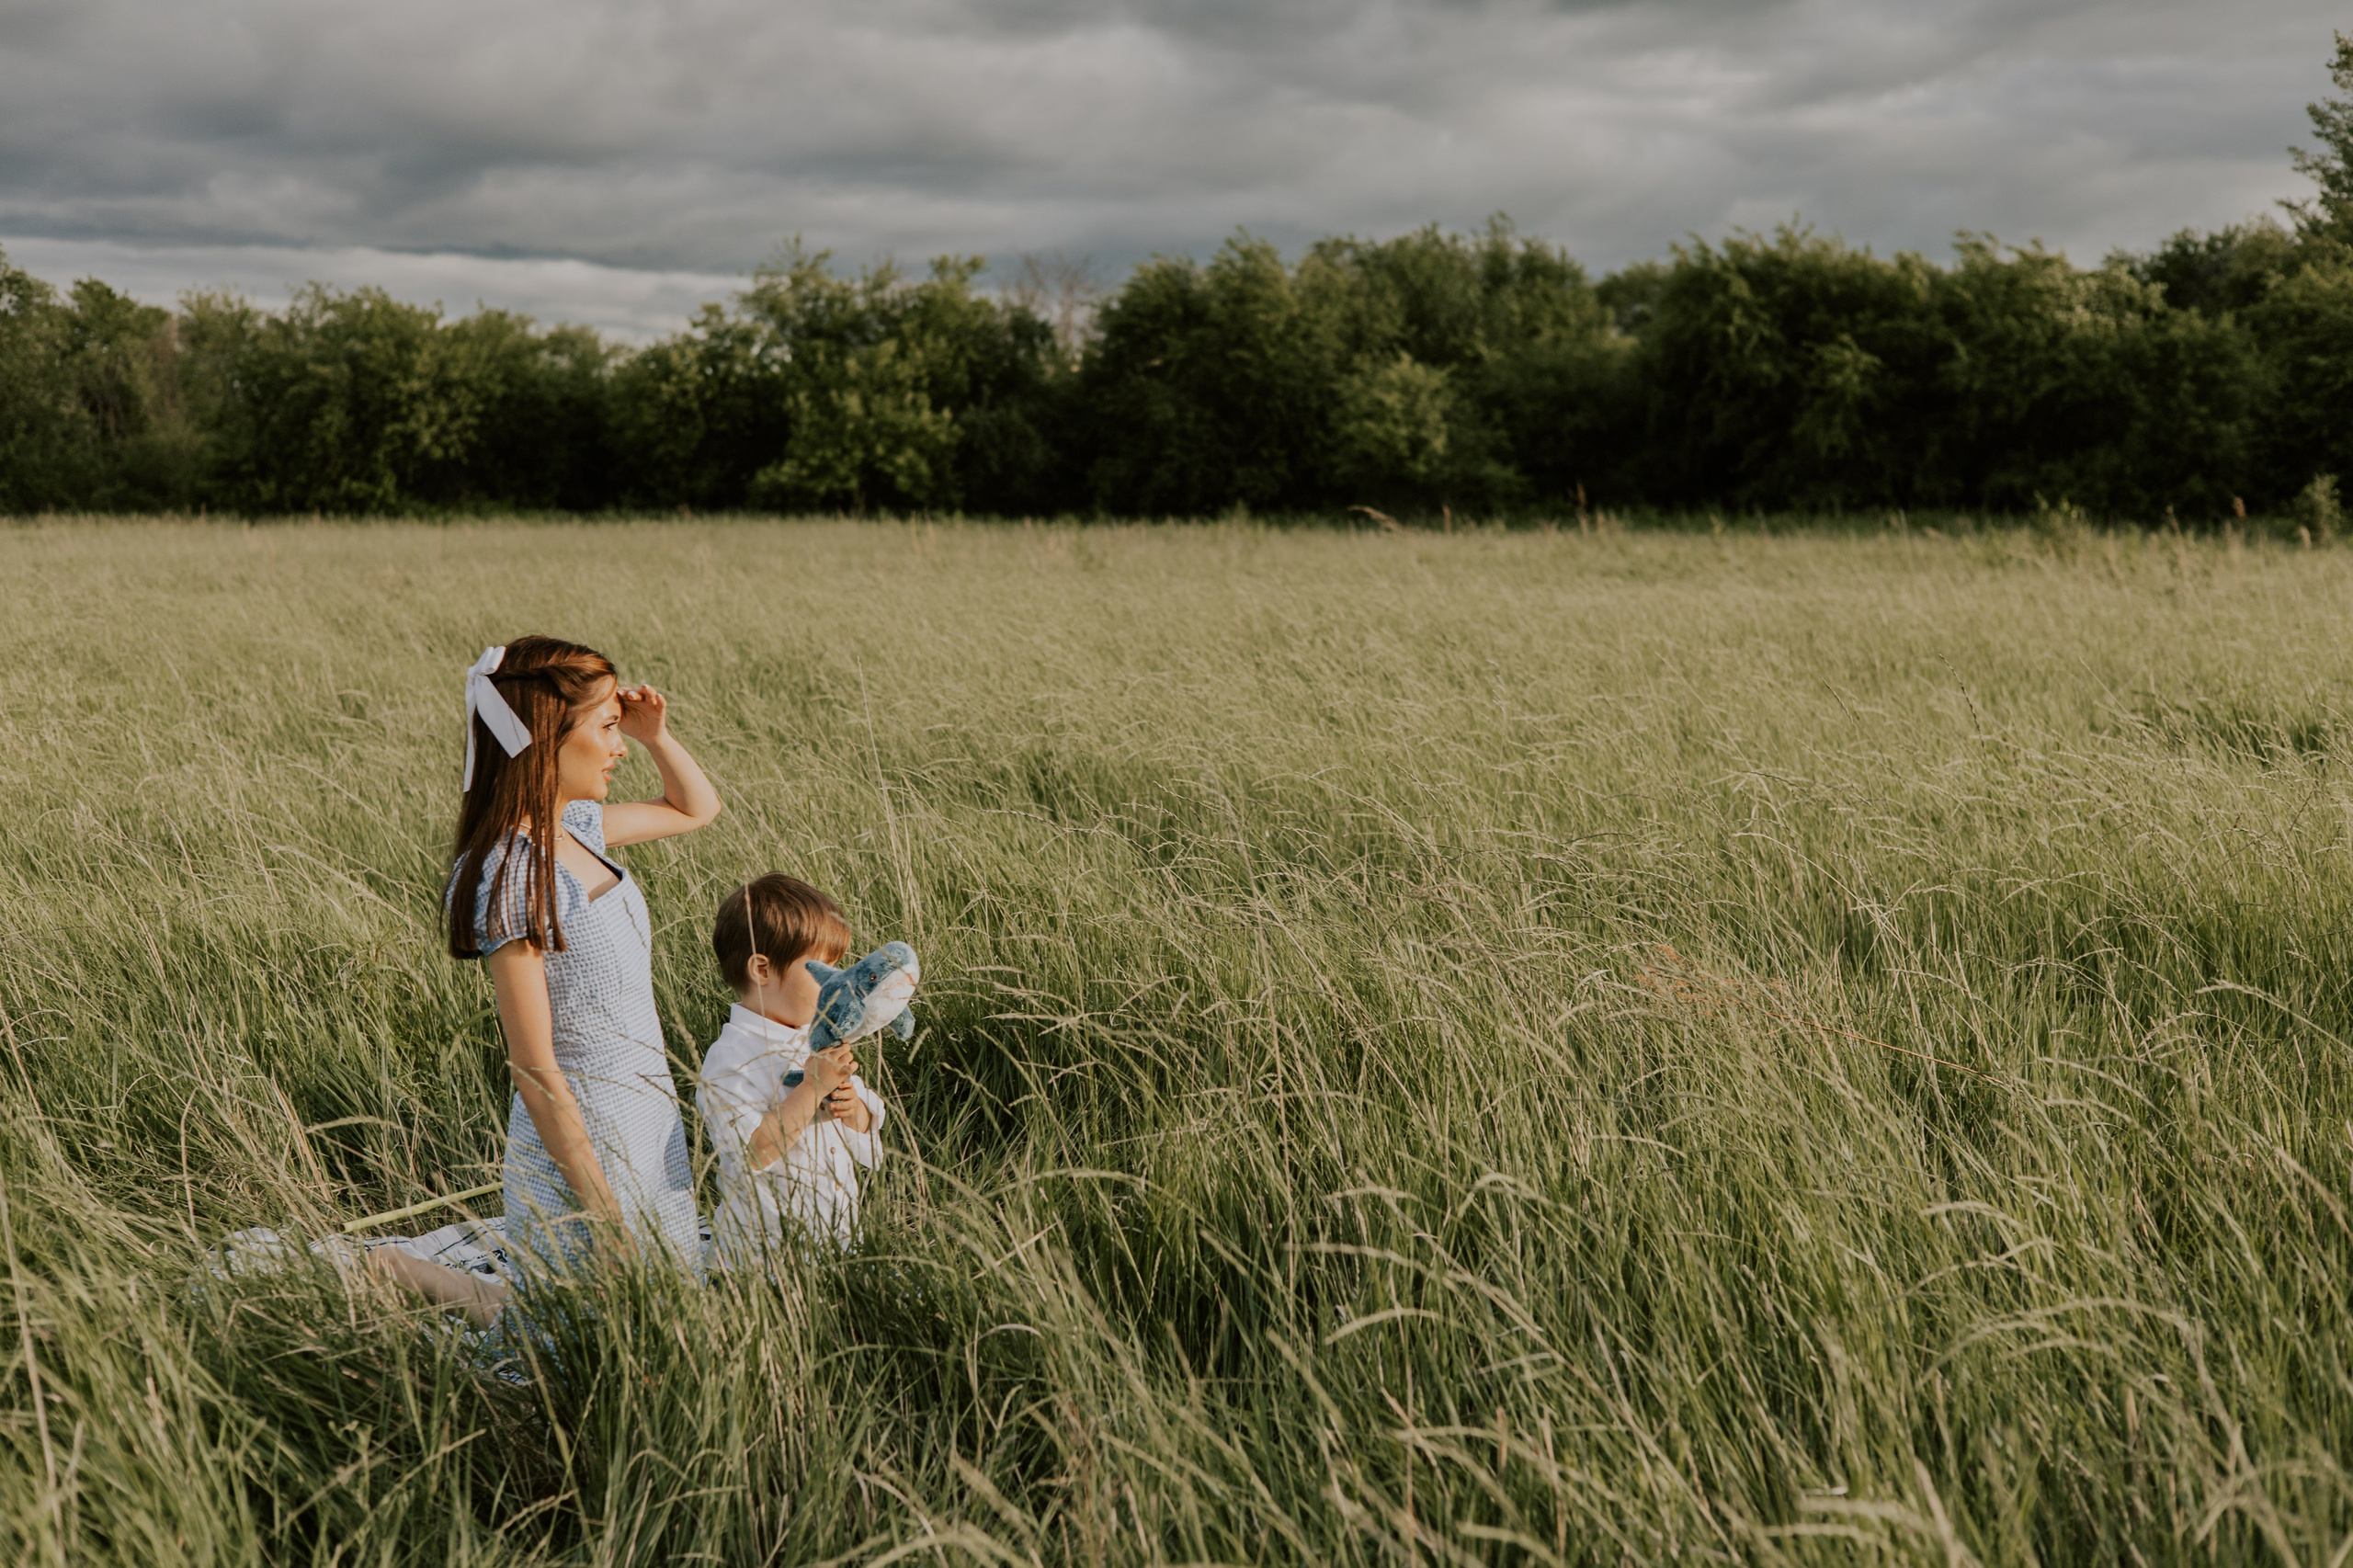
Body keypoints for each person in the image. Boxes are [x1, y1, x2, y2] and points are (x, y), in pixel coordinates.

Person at [371, 635, 721, 1325]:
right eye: (608, 728)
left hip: (646, 1116)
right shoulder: (513, 876)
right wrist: (606, 1218)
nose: (617, 747)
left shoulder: (579, 827)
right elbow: (535, 1071)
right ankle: (395, 1269)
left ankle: (429, 1277)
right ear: (544, 738)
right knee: (580, 1347)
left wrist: (656, 735)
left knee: (657, 1319)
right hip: (580, 1144)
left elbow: (694, 809)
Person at [697, 875, 890, 1267]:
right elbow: (751, 1151)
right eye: (822, 969)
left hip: (837, 1237)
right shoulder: (730, 1059)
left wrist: (853, 1108)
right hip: (768, 1260)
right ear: (762, 969)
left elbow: (867, 1125)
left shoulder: (816, 1037)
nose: (838, 982)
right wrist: (810, 1090)